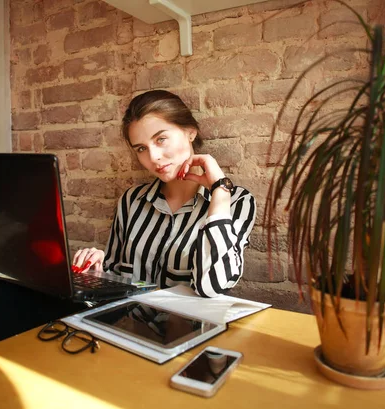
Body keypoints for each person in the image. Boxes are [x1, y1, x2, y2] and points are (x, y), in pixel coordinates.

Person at [71, 90, 256, 297]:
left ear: (190, 132)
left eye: (161, 139)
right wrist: (96, 273)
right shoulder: (132, 200)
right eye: (141, 148)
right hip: (128, 324)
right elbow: (116, 276)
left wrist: (220, 191)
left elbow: (213, 287)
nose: (154, 157)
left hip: (193, 326)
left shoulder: (237, 202)